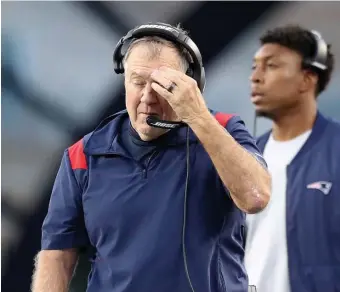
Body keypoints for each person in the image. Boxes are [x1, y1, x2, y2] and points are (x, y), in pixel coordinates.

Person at [31, 22, 271, 292]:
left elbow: (255, 197)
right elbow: (56, 255)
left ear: (191, 85)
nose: (147, 98)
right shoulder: (82, 156)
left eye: (162, 86)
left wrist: (199, 117)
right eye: (138, 82)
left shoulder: (223, 131)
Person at [245, 25, 340, 292]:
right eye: (255, 66)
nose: (255, 77)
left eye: (271, 66)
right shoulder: (245, 158)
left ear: (307, 80)